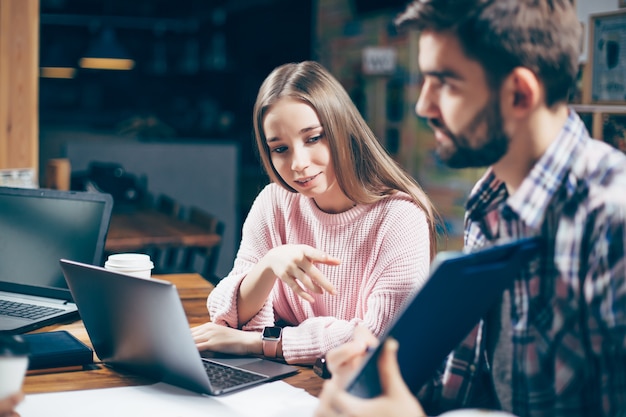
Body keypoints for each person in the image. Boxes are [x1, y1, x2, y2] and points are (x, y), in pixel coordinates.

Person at [315, 0, 626, 416]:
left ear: (519, 93)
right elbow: (472, 387)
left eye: (445, 83)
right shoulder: (490, 200)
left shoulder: (613, 222)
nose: (423, 106)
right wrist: (385, 377)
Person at [191, 60, 440, 365]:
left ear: (342, 130)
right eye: (280, 149)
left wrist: (258, 343)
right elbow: (225, 311)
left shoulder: (400, 217)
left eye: (313, 138)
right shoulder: (274, 202)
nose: (298, 163)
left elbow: (377, 337)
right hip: (287, 381)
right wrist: (269, 264)